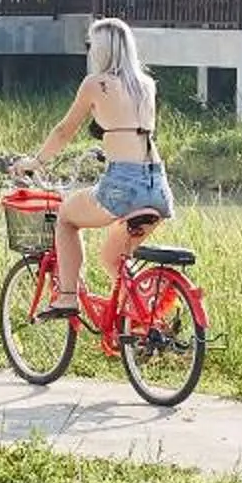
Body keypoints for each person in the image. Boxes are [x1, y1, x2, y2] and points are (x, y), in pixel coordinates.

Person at [16, 16, 173, 320]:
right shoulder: (147, 85)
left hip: (122, 184)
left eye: (90, 45)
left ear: (100, 50)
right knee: (113, 260)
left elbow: (64, 130)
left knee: (65, 218)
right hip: (157, 187)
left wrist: (36, 162)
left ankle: (67, 297)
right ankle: (146, 323)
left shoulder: (95, 84)